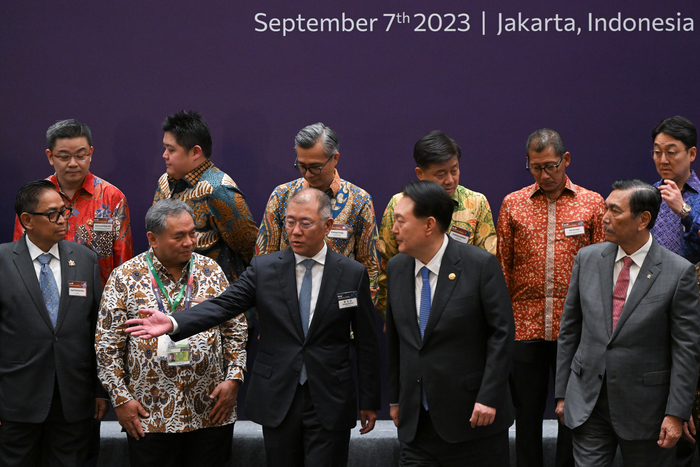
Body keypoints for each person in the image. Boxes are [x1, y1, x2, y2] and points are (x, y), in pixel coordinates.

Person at [124, 188, 381, 467]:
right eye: (289, 221)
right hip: (280, 395)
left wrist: (369, 399)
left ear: (328, 226)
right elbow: (223, 305)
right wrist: (174, 321)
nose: (295, 231)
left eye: (305, 223)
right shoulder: (265, 268)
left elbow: (367, 341)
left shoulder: (352, 273)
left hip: (331, 396)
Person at [555, 179, 700, 467]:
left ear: (642, 220)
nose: (604, 218)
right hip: (588, 402)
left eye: (614, 211)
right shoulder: (587, 258)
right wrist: (562, 393)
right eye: (605, 208)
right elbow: (570, 329)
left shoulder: (678, 272)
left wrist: (676, 412)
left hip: (647, 411)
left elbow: (686, 349)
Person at [95, 199, 247, 467]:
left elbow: (235, 330)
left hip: (210, 408)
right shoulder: (124, 278)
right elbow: (107, 346)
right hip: (150, 414)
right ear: (153, 238)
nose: (190, 242)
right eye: (179, 236)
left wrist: (233, 379)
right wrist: (121, 399)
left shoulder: (211, 270)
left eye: (192, 233)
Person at [386, 180, 515, 466]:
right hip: (417, 425)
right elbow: (396, 340)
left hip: (473, 421)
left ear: (429, 224)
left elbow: (502, 335)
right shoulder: (396, 268)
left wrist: (488, 397)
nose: (394, 229)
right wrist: (395, 399)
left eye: (400, 221)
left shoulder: (479, 265)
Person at [497, 128, 605, 467]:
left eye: (551, 166)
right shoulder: (513, 204)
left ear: (566, 160)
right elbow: (502, 268)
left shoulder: (593, 204)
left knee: (571, 415)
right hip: (525, 328)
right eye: (535, 167)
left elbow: (602, 269)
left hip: (574, 328)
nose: (544, 175)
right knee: (526, 414)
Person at [0, 180, 107, 466]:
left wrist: (100, 390)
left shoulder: (85, 260)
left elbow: (97, 329)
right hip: (16, 399)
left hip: (73, 399)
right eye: (52, 214)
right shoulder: (2, 261)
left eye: (64, 211)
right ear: (27, 221)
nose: (62, 220)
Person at [376, 130, 497, 318]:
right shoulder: (399, 205)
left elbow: (488, 265)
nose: (450, 180)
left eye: (454, 170)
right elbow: (387, 267)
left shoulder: (476, 203)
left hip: (463, 311)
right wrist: (389, 317)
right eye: (441, 174)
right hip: (413, 308)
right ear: (420, 174)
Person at [256, 122, 380, 300]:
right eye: (301, 166)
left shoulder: (359, 201)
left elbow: (369, 266)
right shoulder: (282, 196)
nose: (307, 174)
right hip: (286, 301)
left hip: (338, 308)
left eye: (315, 167)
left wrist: (354, 314)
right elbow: (264, 257)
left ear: (335, 158)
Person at [13, 119, 133, 287]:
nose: (73, 163)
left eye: (80, 155)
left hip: (98, 300)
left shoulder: (112, 197)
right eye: (64, 157)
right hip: (45, 294)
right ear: (50, 156)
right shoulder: (33, 198)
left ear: (90, 154)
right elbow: (18, 256)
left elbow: (124, 262)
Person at [154, 110, 257, 284]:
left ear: (195, 152)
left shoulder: (220, 190)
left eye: (171, 150)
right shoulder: (164, 181)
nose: (164, 155)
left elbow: (249, 251)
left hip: (210, 297)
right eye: (165, 148)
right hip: (165, 291)